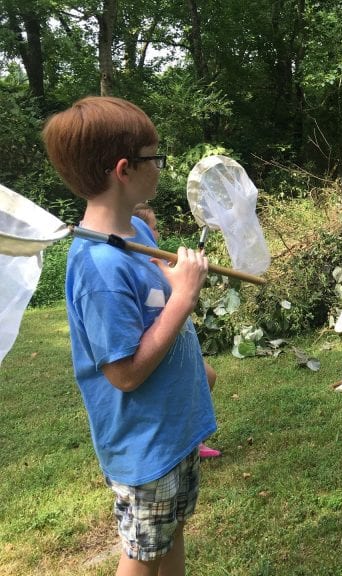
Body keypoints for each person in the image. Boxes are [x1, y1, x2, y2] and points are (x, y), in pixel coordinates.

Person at [42, 96, 216, 576]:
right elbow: (123, 373)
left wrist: (192, 364)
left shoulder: (137, 228)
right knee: (141, 556)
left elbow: (151, 313)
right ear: (125, 169)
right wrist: (183, 298)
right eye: (155, 157)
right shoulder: (99, 266)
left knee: (173, 533)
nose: (160, 167)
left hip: (175, 428)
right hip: (145, 446)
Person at [133, 202, 221, 459]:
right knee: (184, 390)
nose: (157, 234)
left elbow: (181, 286)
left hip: (180, 344)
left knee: (207, 378)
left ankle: (194, 441)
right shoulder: (140, 267)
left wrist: (192, 274)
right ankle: (183, 444)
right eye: (153, 228)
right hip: (161, 345)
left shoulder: (159, 261)